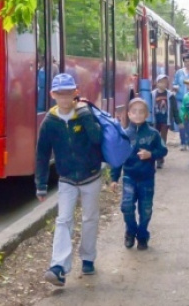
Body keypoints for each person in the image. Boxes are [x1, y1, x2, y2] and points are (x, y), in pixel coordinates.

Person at [34, 73, 103, 286]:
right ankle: (59, 267)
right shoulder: (50, 122)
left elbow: (97, 138)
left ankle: (88, 258)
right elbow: (42, 154)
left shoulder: (84, 112)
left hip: (91, 175)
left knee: (90, 218)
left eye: (68, 94)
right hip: (66, 179)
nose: (64, 99)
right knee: (63, 219)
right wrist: (41, 184)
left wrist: (84, 116)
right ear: (52, 94)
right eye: (60, 94)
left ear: (76, 92)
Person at [110, 98, 168, 250]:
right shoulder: (124, 135)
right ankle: (130, 230)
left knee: (146, 209)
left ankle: (142, 235)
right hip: (129, 176)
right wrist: (114, 178)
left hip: (147, 178)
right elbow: (118, 158)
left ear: (147, 114)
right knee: (126, 206)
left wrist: (151, 154)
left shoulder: (153, 134)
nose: (137, 115)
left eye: (141, 112)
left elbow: (163, 150)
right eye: (134, 111)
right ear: (128, 114)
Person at [149, 74, 179, 169]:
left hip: (165, 121)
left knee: (162, 139)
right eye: (160, 82)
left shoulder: (170, 95)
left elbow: (174, 109)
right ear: (156, 83)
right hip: (155, 121)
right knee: (154, 139)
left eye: (165, 82)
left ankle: (160, 159)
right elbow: (148, 107)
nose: (163, 84)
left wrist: (178, 121)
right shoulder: (152, 94)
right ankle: (155, 157)